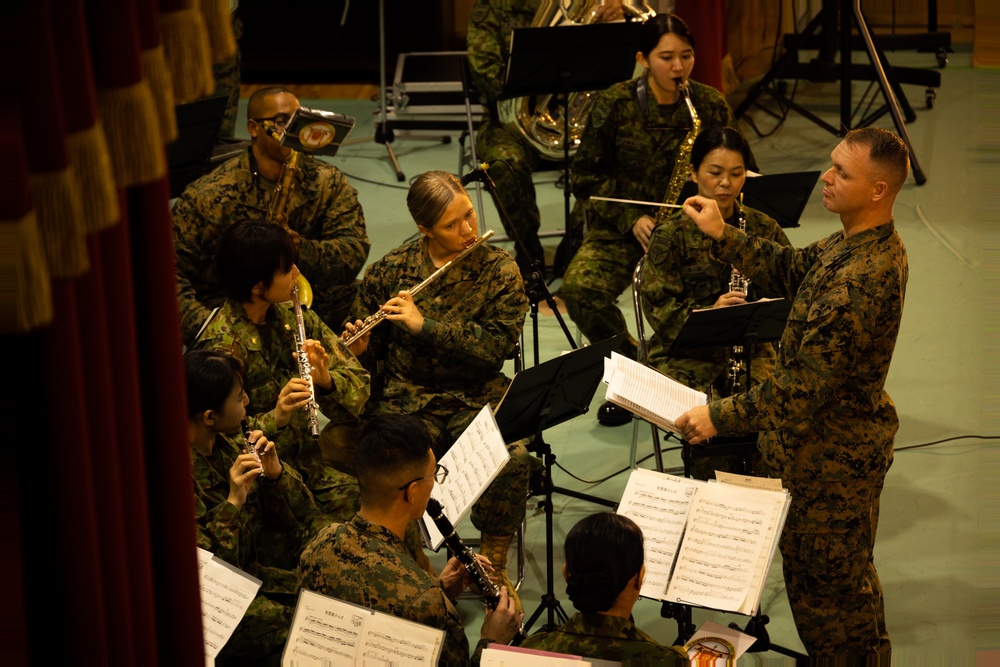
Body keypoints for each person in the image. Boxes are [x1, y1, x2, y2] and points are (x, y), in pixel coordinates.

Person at [675, 126, 910, 658]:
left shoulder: (860, 281)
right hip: (815, 451)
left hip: (831, 463)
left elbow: (800, 389)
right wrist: (722, 231)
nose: (825, 178)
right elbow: (789, 267)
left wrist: (719, 416)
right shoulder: (849, 244)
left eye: (841, 173)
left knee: (833, 606)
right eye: (831, 165)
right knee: (832, 589)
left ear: (877, 190)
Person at [338, 170, 536, 613]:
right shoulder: (390, 271)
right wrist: (361, 349)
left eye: (469, 215)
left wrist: (426, 326)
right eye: (452, 224)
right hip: (407, 397)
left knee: (515, 456)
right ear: (424, 229)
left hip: (475, 392)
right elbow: (369, 364)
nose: (468, 230)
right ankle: (411, 567)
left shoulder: (500, 269)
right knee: (393, 461)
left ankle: (494, 562)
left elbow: (495, 349)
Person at [558, 13, 755, 426]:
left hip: (693, 229)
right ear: (643, 59)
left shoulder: (708, 104)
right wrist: (631, 218)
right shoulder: (614, 102)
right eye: (666, 57)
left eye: (686, 56)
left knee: (707, 299)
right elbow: (585, 177)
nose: (678, 67)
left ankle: (701, 377)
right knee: (579, 291)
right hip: (625, 228)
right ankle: (634, 367)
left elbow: (736, 169)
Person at [299, 414, 523, 666]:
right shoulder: (426, 604)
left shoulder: (320, 545)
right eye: (433, 475)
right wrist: (492, 640)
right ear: (412, 492)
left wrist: (440, 590)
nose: (434, 484)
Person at [191, 218, 369, 523]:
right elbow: (213, 446)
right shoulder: (220, 350)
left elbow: (360, 388)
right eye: (287, 270)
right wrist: (278, 416)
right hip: (264, 492)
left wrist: (326, 381)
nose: (297, 275)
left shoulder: (295, 316)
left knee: (379, 512)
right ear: (258, 287)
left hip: (312, 470)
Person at [641, 126, 790, 478]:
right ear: (693, 174)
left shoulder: (761, 227)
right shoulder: (670, 234)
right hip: (689, 352)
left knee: (777, 411)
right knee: (707, 426)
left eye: (736, 174)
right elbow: (659, 308)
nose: (726, 183)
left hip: (754, 348)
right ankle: (713, 494)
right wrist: (710, 314)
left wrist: (760, 306)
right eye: (715, 173)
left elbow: (791, 282)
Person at [173, 85, 369, 346]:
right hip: (233, 307)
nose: (293, 130)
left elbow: (353, 251)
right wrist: (210, 328)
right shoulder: (208, 195)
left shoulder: (327, 181)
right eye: (281, 121)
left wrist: (300, 249)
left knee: (371, 300)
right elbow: (169, 275)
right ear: (254, 128)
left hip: (309, 299)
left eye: (298, 120)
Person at [186, 348, 332, 663]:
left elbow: (300, 514)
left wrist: (275, 474)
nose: (248, 404)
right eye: (239, 399)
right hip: (216, 607)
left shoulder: (230, 441)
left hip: (257, 573)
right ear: (209, 416)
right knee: (308, 633)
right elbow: (205, 576)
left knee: (336, 594)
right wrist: (233, 502)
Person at [465, 0, 624, 280]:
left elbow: (610, 68)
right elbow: (485, 73)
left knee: (612, 151)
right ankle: (528, 249)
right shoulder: (493, 6)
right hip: (506, 122)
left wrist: (610, 25)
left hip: (571, 120)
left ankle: (576, 240)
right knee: (504, 163)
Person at [519, 512, 688, 664]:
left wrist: (493, 640)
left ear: (567, 574)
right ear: (639, 577)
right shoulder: (668, 661)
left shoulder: (532, 650)